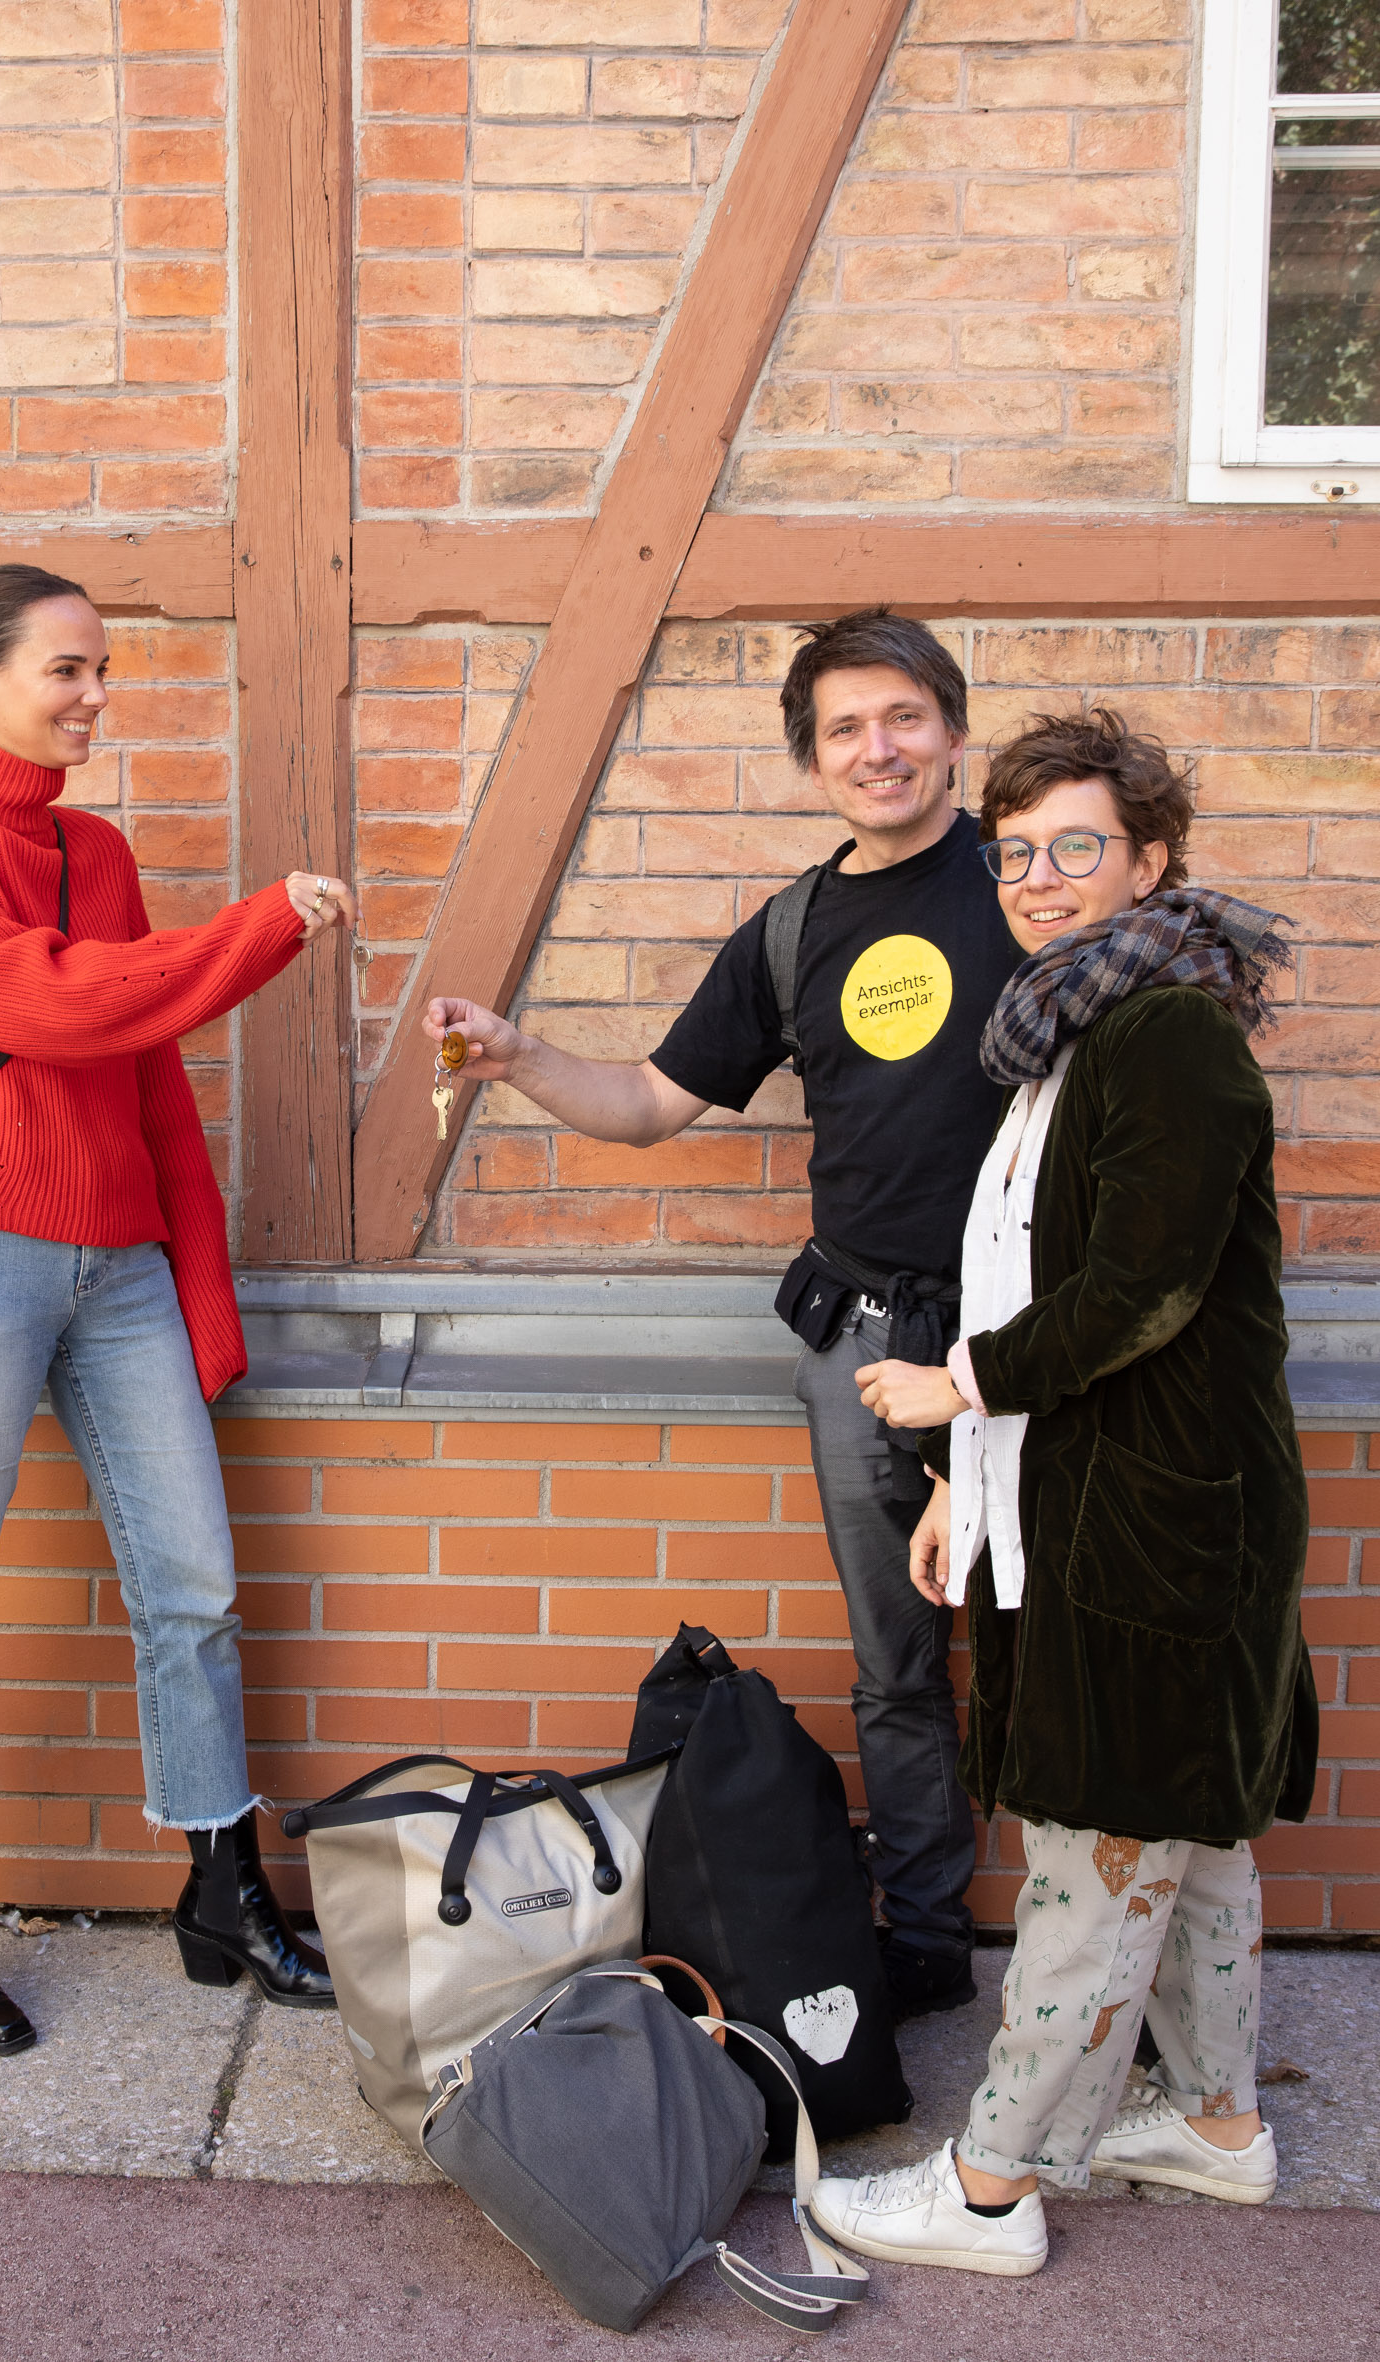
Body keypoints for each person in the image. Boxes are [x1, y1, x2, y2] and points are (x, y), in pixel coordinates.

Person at [425, 609, 1022, 2017]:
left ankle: (1082, 1948)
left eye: (903, 718)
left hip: (1023, 1348)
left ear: (950, 724)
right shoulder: (797, 926)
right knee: (899, 1666)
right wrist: (521, 1058)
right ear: (813, 763)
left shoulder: (1029, 882)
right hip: (864, 1350)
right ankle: (929, 1931)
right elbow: (648, 1101)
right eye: (845, 732)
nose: (879, 750)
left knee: (1055, 1653)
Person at [807, 709, 1318, 2276]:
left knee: (1099, 1835)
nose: (1037, 876)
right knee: (1196, 1828)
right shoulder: (1068, 1032)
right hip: (1096, 1490)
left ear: (1151, 859)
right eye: (1017, 850)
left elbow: (1137, 1289)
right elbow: (1022, 1271)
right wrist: (974, 1474)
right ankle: (1219, 2125)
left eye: (1075, 845)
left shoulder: (1166, 1031)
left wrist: (954, 1390)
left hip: (1162, 1514)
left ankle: (989, 2189)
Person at [0, 564, 354, 2055]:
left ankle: (221, 1885)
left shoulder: (100, 848)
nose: (92, 695)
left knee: (192, 1583)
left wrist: (198, 1296)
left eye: (102, 669)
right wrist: (259, 929)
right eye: (64, 669)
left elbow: (145, 1078)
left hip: (117, 1266)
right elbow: (45, 1000)